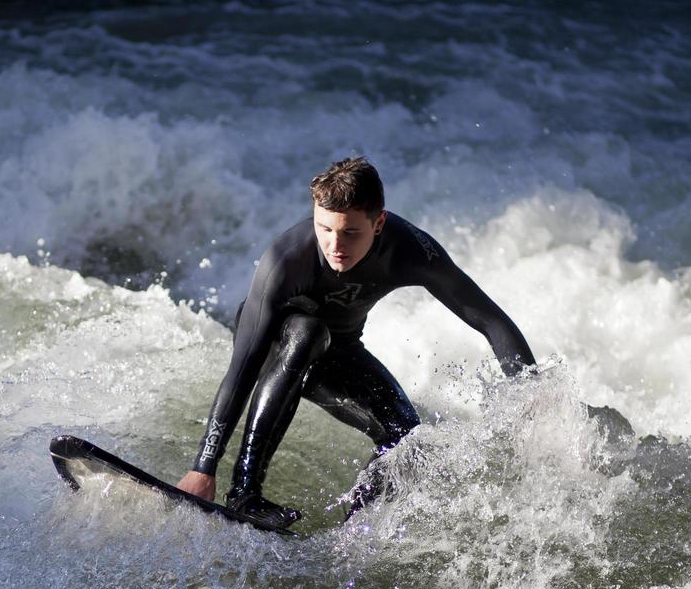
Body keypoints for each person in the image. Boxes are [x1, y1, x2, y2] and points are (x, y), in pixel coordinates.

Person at [175, 156, 536, 530]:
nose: (335, 245)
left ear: (378, 223)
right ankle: (245, 493)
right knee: (308, 332)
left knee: (407, 436)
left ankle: (354, 533)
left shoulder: (411, 250)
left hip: (338, 353)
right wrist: (203, 467)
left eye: (350, 233)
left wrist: (529, 390)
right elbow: (242, 368)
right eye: (324, 228)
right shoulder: (286, 261)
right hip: (277, 345)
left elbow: (490, 319)